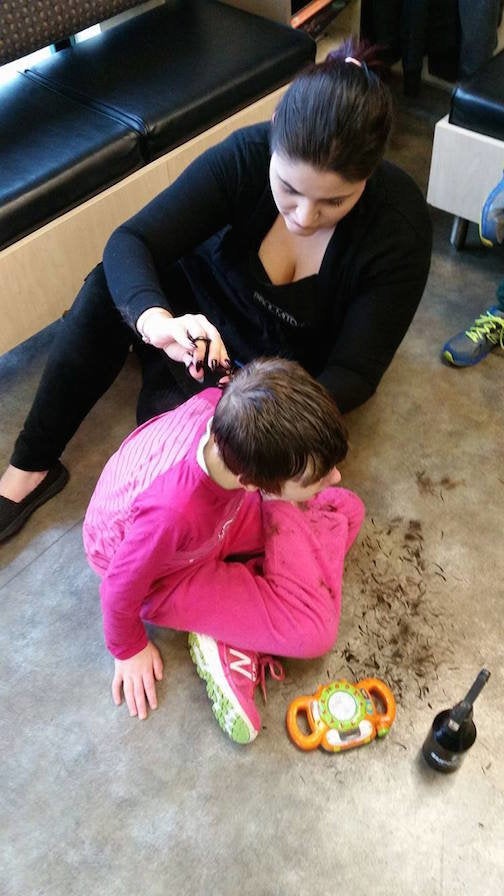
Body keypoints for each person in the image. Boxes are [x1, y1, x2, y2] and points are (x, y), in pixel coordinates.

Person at [0, 37, 432, 543]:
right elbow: (130, 241)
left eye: (334, 202)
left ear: (370, 174)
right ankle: (28, 469)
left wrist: (250, 405)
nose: (303, 217)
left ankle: (179, 404)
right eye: (288, 189)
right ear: (273, 139)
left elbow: (354, 373)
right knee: (103, 290)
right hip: (191, 318)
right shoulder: (246, 157)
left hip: (269, 373)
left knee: (187, 489)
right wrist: (158, 322)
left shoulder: (398, 229)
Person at [82, 357, 365, 744]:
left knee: (345, 506)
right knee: (314, 631)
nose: (335, 475)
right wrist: (128, 648)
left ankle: (247, 607)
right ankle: (230, 641)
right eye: (315, 475)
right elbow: (119, 587)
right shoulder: (172, 512)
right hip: (166, 574)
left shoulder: (229, 414)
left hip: (211, 521)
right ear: (254, 483)